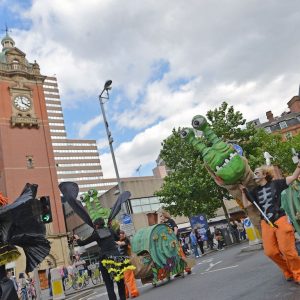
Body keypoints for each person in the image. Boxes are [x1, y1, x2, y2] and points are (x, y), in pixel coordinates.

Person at [241, 164, 300, 284]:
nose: (254, 175)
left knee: (287, 250)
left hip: (280, 219)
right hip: (266, 222)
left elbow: (294, 176)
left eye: (257, 172)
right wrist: (243, 192)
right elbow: (246, 205)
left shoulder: (277, 184)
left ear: (264, 174)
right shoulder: (254, 192)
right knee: (270, 252)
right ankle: (287, 270)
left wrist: (299, 166)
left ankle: (298, 273)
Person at [74, 217, 126, 300]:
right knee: (120, 281)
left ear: (97, 225)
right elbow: (117, 238)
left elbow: (81, 243)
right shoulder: (110, 230)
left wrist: (77, 238)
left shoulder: (96, 234)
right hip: (116, 258)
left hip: (105, 259)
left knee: (109, 285)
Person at [160, 210, 192, 275]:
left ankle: (188, 268)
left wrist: (174, 236)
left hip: (175, 240)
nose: (160, 217)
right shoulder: (162, 224)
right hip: (168, 243)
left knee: (181, 253)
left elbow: (175, 228)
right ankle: (178, 271)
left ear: (164, 215)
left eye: (161, 216)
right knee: (173, 256)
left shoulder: (171, 221)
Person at [116, 230, 139, 298]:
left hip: (126, 261)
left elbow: (122, 244)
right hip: (119, 263)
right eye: (120, 234)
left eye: (122, 233)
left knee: (129, 278)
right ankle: (126, 294)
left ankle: (134, 292)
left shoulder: (126, 240)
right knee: (122, 280)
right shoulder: (117, 240)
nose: (122, 235)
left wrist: (115, 242)